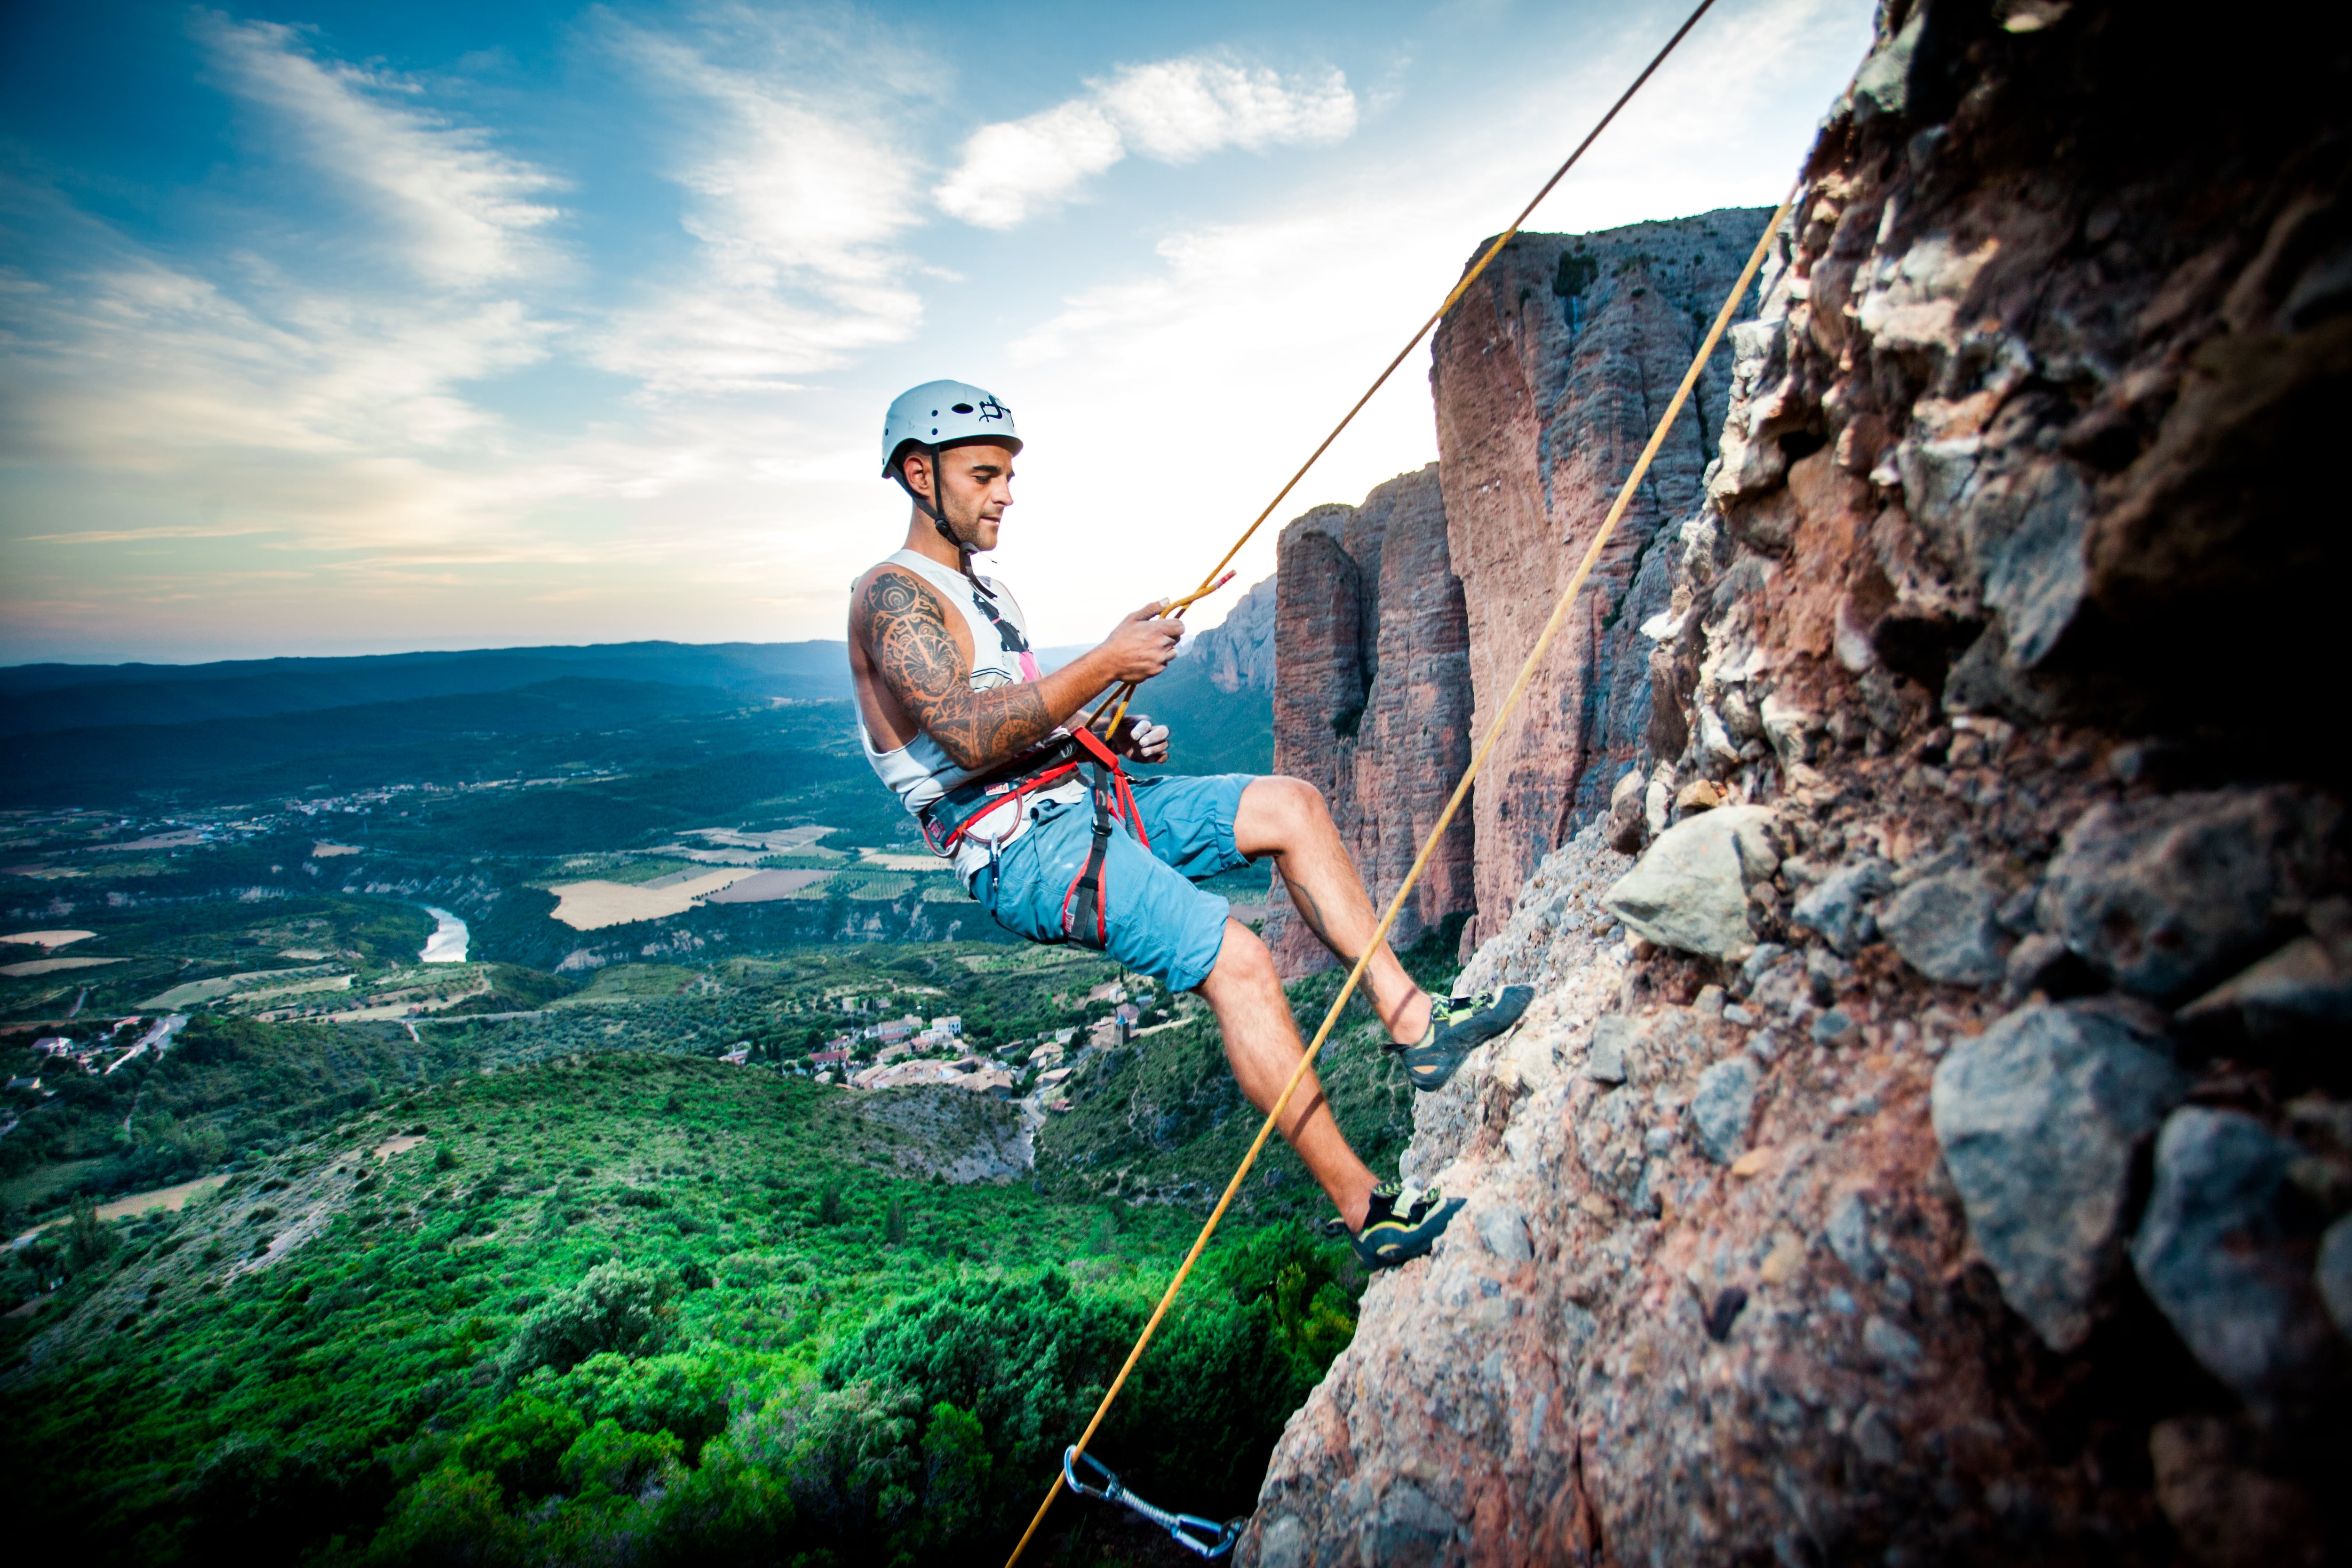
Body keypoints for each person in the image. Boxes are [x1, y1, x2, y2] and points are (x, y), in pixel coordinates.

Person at [847, 379, 1530, 1267]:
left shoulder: (987, 594)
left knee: (1294, 805)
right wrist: (1106, 660)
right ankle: (1373, 1214)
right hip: (1024, 847)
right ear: (918, 474)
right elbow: (968, 734)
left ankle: (1417, 1026)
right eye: (985, 475)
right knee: (1239, 960)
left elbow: (1019, 714)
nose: (1006, 494)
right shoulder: (892, 598)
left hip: (1084, 799)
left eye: (1008, 474)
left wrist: (1113, 729)